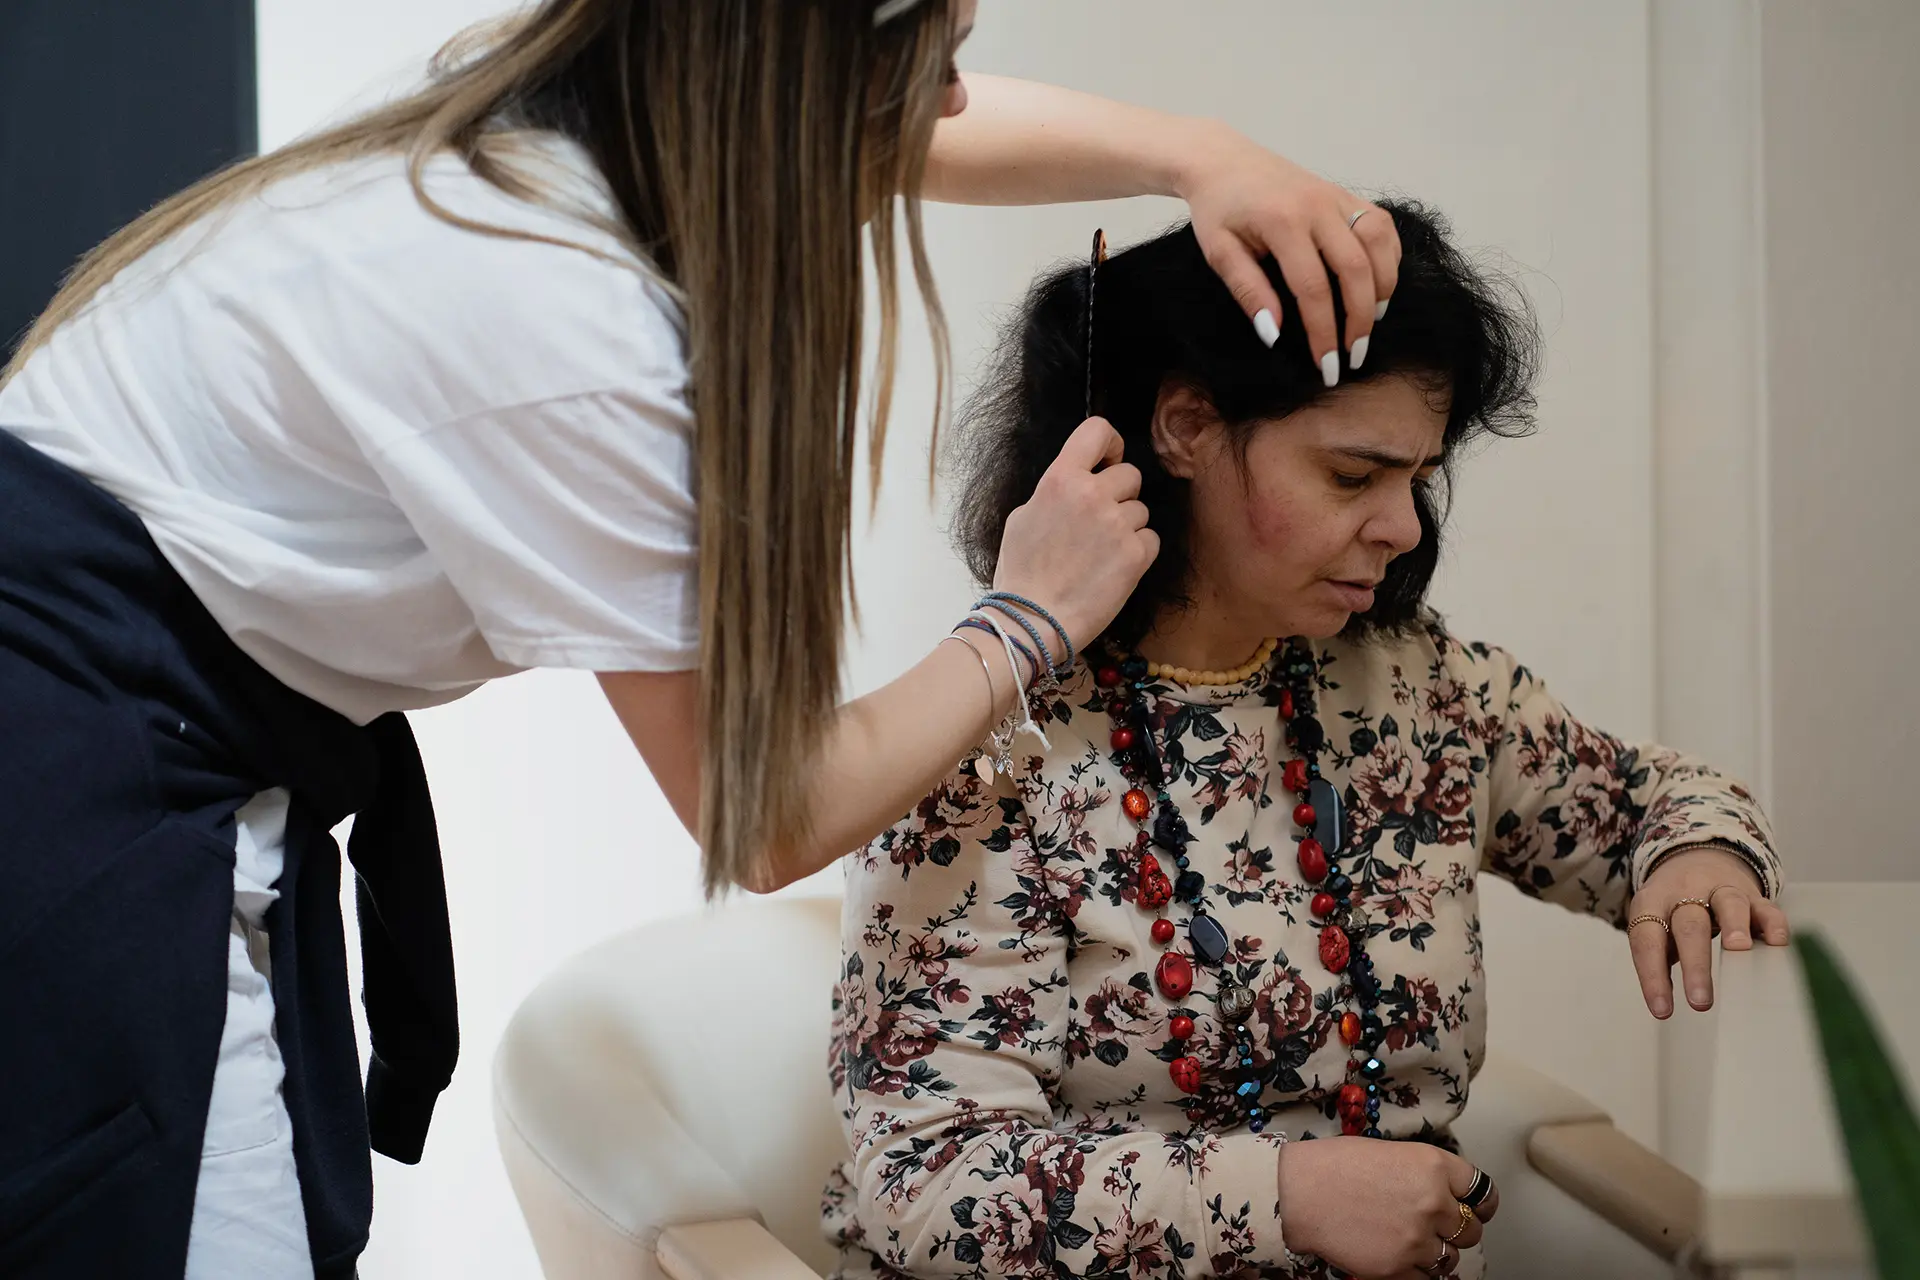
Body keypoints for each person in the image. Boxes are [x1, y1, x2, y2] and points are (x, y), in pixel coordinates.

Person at [0, 1, 1406, 1276]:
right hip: (67, 772)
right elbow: (766, 813)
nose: (952, 102)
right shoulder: (569, 312)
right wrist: (1026, 621)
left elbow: (912, 127)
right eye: (937, 56)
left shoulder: (557, 111)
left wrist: (1198, 156)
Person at [822, 204, 1788, 1280]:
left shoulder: (1420, 690)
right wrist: (1287, 1196)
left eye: (1417, 478)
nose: (1404, 528)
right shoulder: (985, 747)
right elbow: (927, 1182)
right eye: (1352, 476)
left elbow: (1656, 800)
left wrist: (1700, 852)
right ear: (1186, 428)